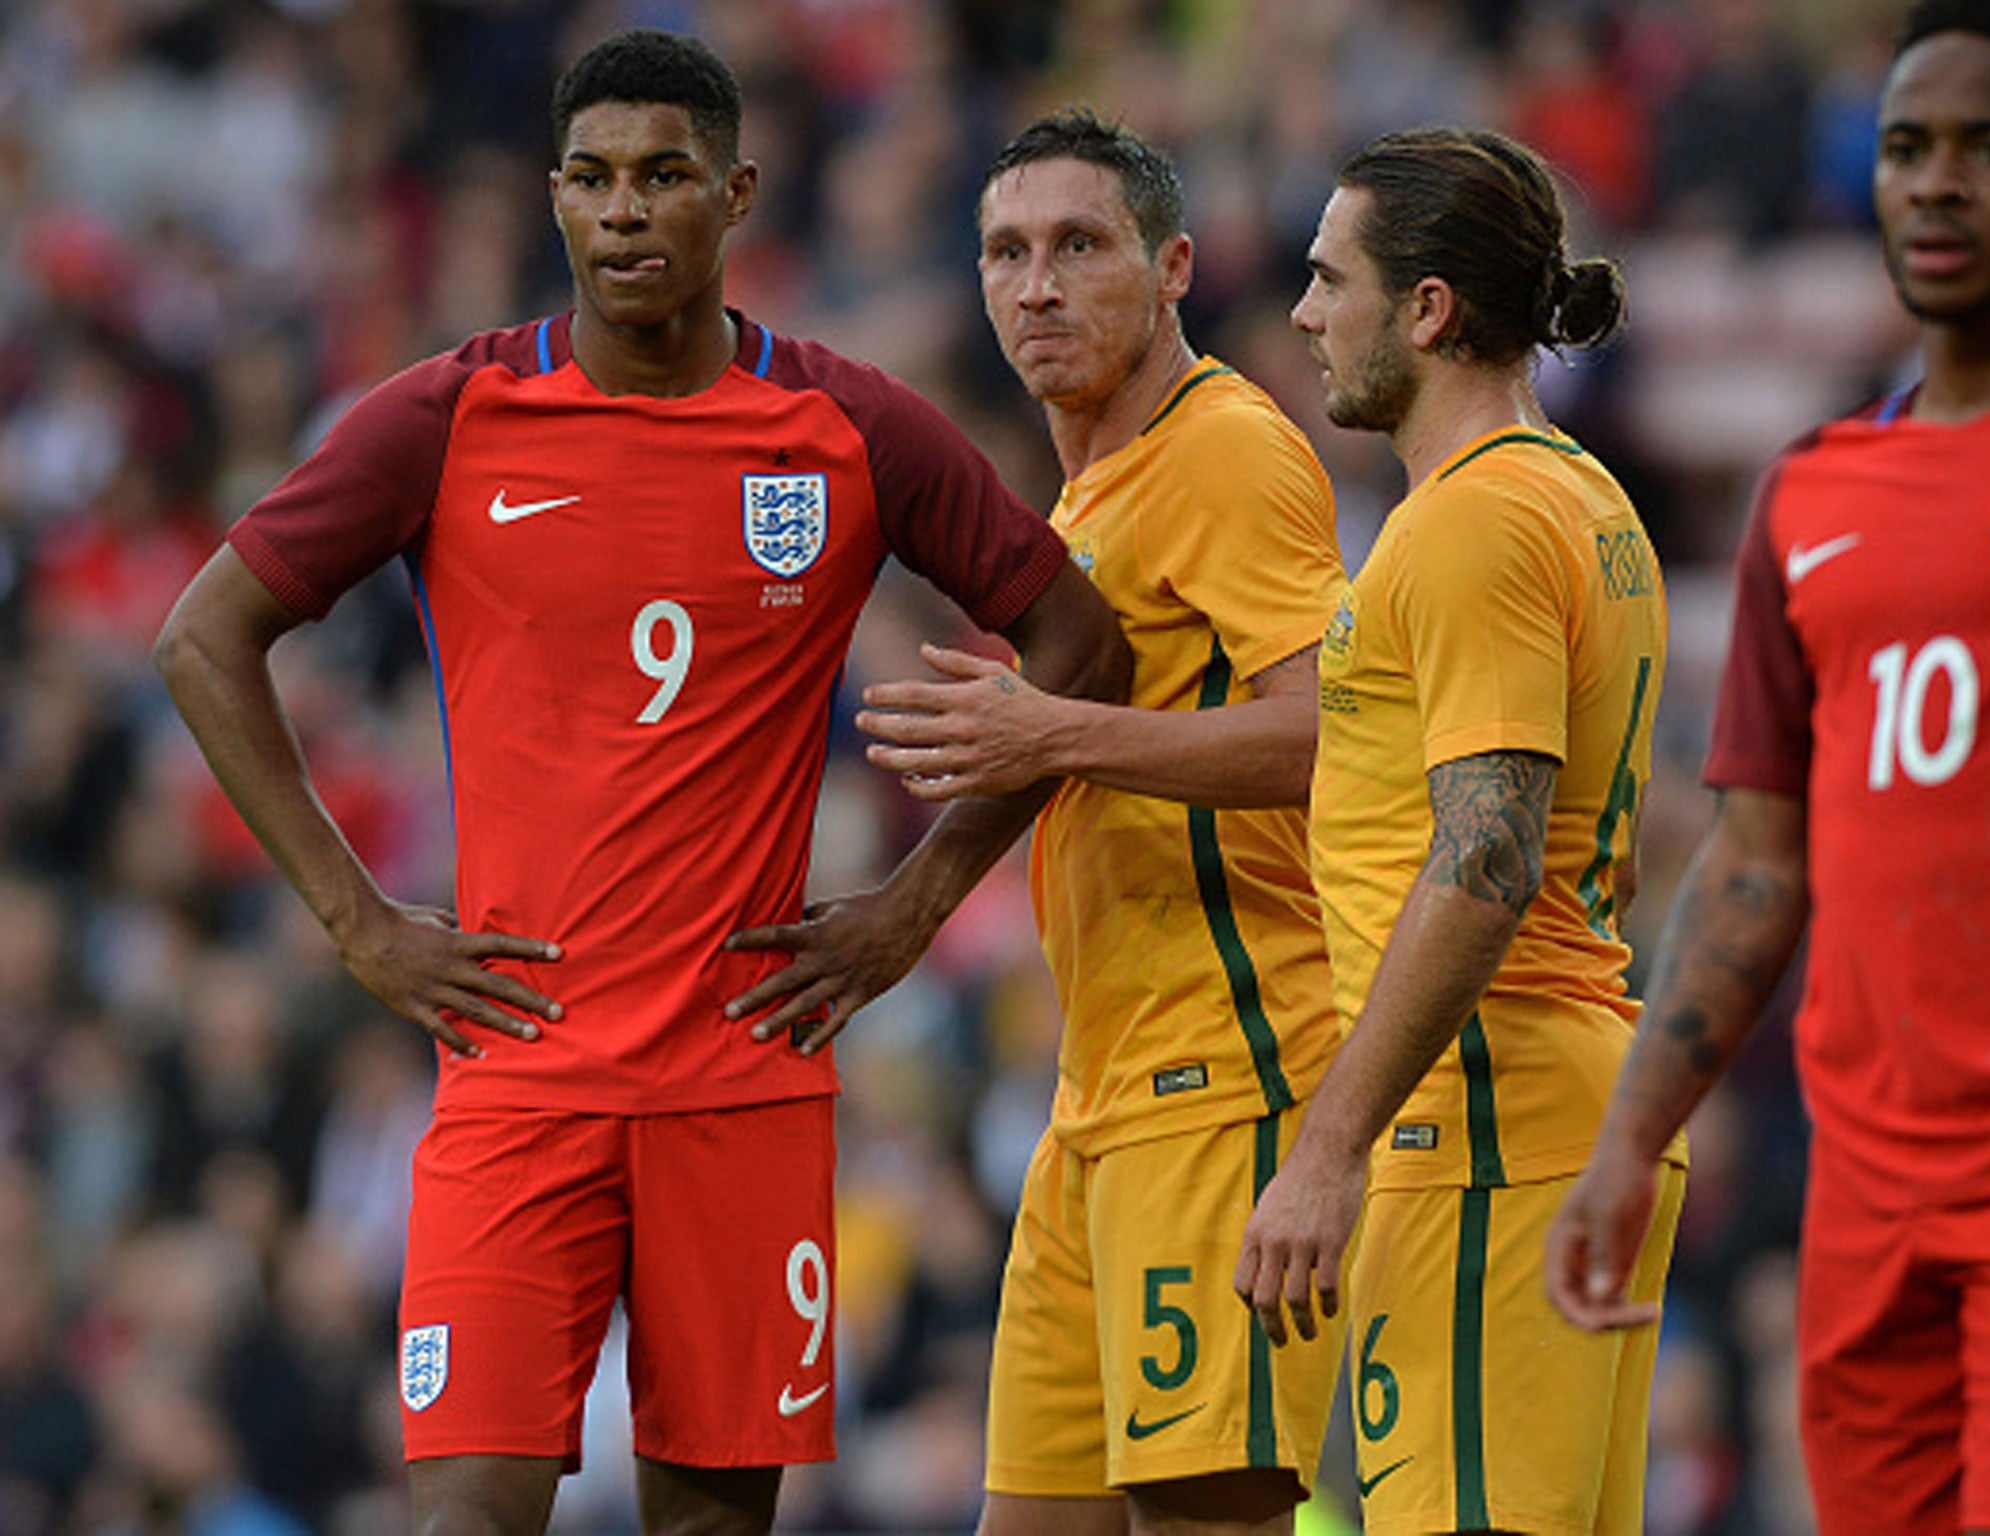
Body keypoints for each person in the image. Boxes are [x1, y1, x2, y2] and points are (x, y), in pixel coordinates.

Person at [152, 30, 1128, 1536]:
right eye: (593, 179)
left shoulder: (848, 427)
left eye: (664, 176)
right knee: (465, 1514)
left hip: (739, 1077)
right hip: (517, 1072)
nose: (624, 212)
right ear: (552, 198)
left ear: (735, 193)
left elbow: (1083, 640)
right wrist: (356, 920)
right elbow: (207, 635)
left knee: (712, 1526)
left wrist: (916, 905)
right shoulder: (452, 414)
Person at [1546, 4, 1990, 1532]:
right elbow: (1760, 861)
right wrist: (1632, 1137)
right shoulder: (1812, 495)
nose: (1939, 184)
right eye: (1907, 149)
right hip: (1868, 1188)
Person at [836, 108, 1352, 1534]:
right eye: (1006, 251)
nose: (1037, 285)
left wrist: (1051, 729)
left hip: (1228, 1073)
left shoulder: (1227, 453)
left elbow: (1334, 737)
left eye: (1079, 245)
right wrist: (909, 907)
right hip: (1096, 1099)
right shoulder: (1088, 493)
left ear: (1174, 263)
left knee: (1210, 1514)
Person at [1232, 128, 1681, 1536]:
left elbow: (1484, 861)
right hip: (1563, 1112)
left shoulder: (1469, 526)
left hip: (1485, 1132)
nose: (1304, 313)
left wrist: (1329, 1146)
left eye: (1329, 278)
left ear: (1428, 310)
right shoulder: (1582, 494)